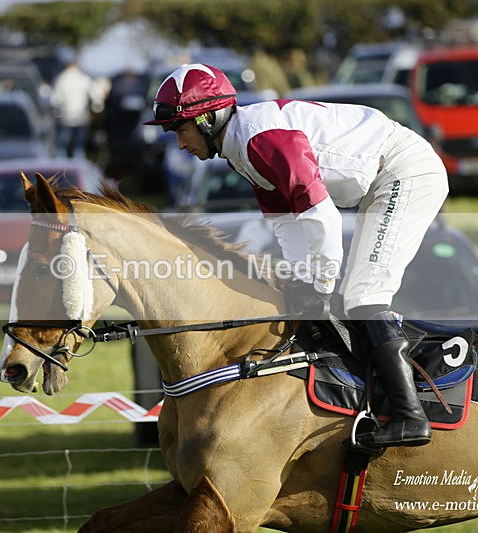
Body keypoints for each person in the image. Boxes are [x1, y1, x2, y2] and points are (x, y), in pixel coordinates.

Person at [144, 63, 449, 449]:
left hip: (406, 171)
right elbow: (286, 223)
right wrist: (301, 277)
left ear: (207, 118)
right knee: (348, 295)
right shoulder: (242, 149)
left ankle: (410, 416)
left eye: (181, 130)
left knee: (363, 296)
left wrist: (319, 282)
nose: (181, 145)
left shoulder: (259, 139)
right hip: (381, 179)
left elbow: (320, 214)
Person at [51, 59, 94, 158]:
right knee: (79, 147)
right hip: (81, 117)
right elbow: (95, 96)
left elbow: (55, 100)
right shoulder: (84, 78)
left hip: (65, 117)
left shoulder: (61, 78)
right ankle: (78, 170)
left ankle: (60, 170)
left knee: (61, 147)